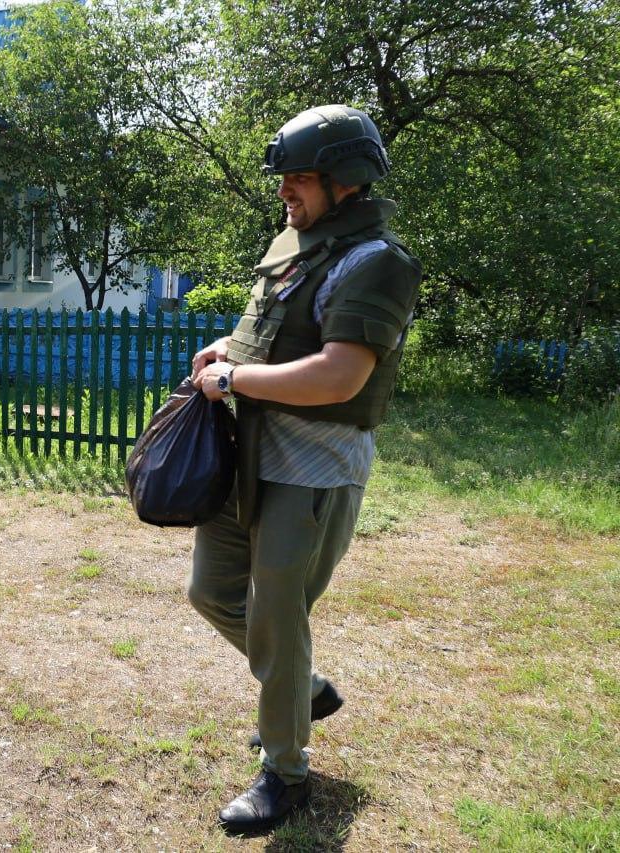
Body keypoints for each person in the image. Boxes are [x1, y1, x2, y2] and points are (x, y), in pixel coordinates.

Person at [189, 105, 422, 834]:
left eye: (299, 178)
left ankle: (286, 771)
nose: (285, 191)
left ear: (345, 181)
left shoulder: (378, 262)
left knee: (277, 614)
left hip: (315, 470)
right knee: (212, 591)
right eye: (284, 179)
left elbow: (338, 375)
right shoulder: (296, 245)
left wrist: (236, 383)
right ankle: (304, 690)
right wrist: (227, 347)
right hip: (252, 457)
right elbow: (271, 331)